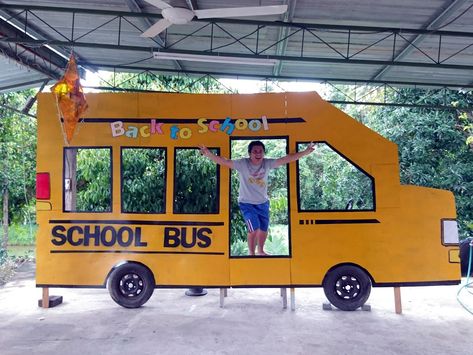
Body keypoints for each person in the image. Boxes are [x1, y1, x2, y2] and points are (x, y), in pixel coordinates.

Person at [199, 141, 315, 256]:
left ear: (264, 153)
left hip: (263, 203)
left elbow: (286, 159)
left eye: (260, 151)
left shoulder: (267, 163)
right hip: (246, 203)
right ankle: (251, 253)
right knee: (254, 229)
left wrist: (306, 151)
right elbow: (224, 161)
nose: (258, 153)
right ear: (249, 153)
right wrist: (208, 153)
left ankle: (260, 251)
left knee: (263, 229)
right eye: (255, 151)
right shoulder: (242, 164)